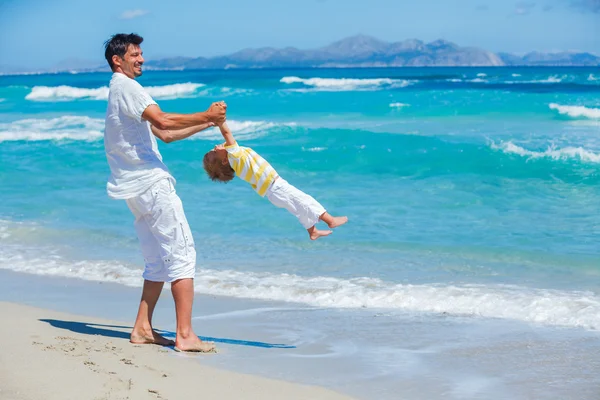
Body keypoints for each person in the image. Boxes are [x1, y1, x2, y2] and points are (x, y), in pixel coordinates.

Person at [103, 33, 225, 352]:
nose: (141, 59)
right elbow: (163, 118)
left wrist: (208, 125)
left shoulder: (120, 91)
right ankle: (185, 335)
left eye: (141, 54)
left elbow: (165, 134)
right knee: (183, 256)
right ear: (118, 60)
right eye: (134, 55)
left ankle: (142, 328)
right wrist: (208, 115)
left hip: (135, 190)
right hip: (152, 185)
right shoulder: (128, 87)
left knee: (157, 261)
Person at [203, 121, 348, 240]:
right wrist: (221, 120)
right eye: (215, 151)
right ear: (223, 161)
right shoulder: (236, 155)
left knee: (298, 208)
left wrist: (220, 144)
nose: (216, 146)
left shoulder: (235, 162)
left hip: (272, 193)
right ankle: (330, 220)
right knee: (305, 200)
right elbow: (227, 134)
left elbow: (226, 142)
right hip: (276, 187)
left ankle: (312, 231)